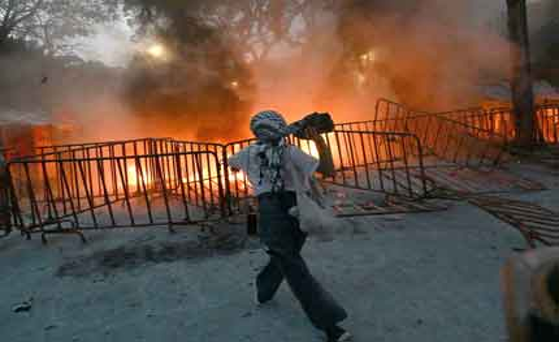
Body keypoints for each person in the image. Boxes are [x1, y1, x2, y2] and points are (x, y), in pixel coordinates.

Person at [228, 110, 351, 342]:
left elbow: (231, 163)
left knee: (286, 256)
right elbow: (328, 168)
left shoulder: (260, 152)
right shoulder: (269, 151)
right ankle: (328, 324)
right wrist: (318, 140)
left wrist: (315, 139)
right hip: (274, 211)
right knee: (295, 268)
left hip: (295, 209)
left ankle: (263, 289)